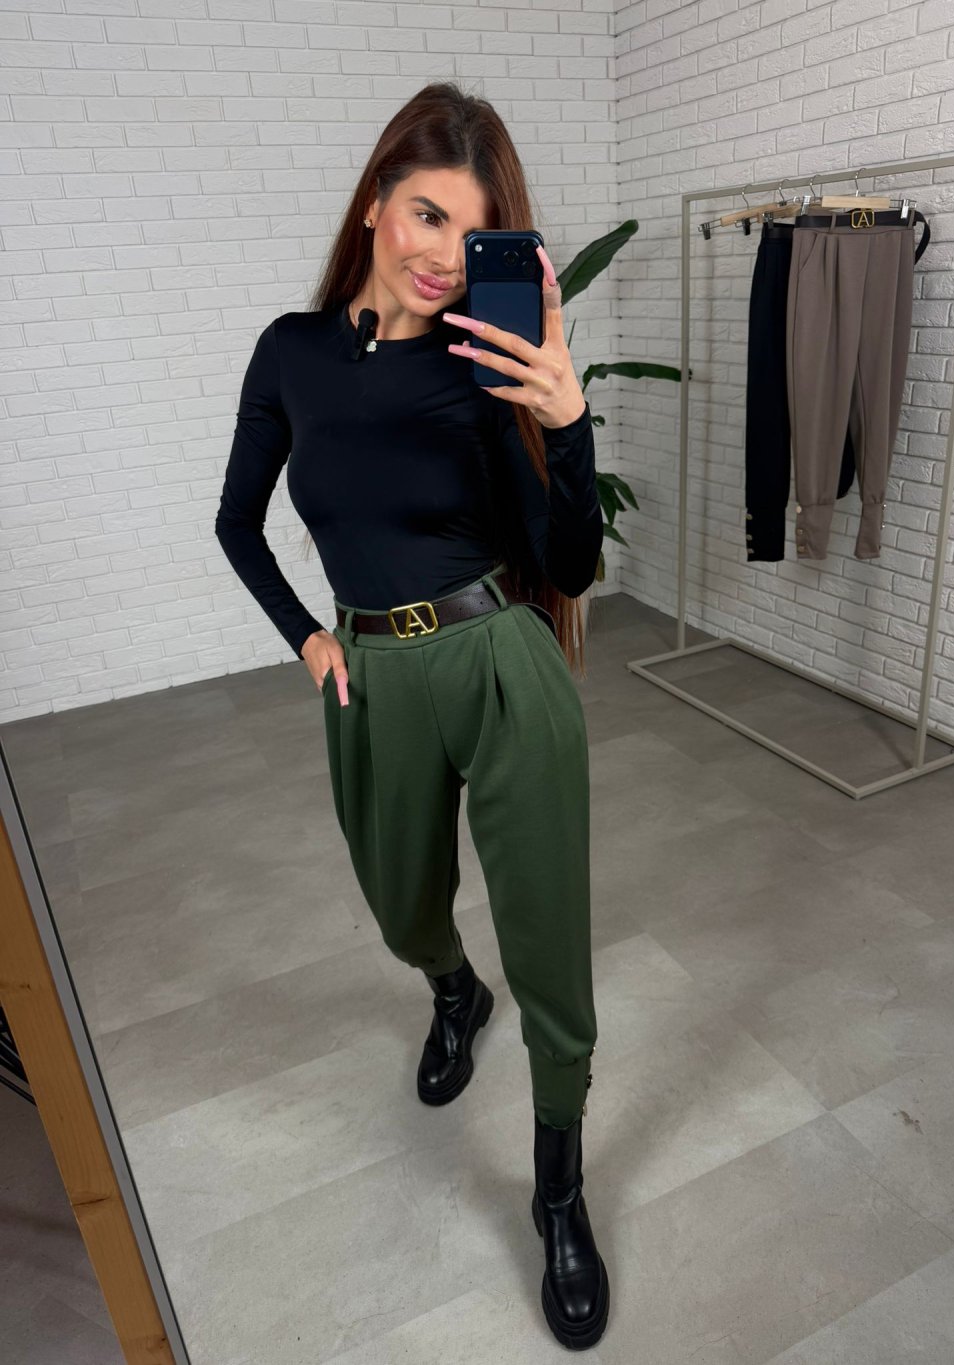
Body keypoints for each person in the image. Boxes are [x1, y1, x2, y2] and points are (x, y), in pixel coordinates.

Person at [214, 81, 609, 1350]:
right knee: (400, 903)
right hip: (372, 675)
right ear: (376, 205)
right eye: (428, 214)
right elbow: (235, 522)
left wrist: (566, 422)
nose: (445, 254)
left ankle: (558, 1194)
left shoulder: (485, 366)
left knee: (548, 943)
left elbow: (569, 560)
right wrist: (308, 636)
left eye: (474, 231)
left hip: (499, 660)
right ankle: (452, 993)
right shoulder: (291, 353)